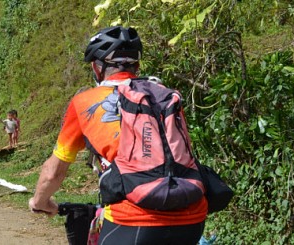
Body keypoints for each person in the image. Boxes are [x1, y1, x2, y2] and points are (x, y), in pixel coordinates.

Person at [28, 26, 207, 244]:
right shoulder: (164, 95)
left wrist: (40, 201)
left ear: (96, 68)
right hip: (193, 218)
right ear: (137, 66)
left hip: (133, 221)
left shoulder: (84, 102)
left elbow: (53, 173)